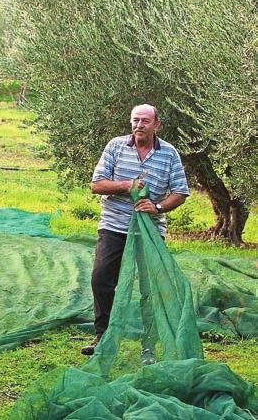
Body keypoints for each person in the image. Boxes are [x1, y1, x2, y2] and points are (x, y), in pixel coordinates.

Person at [81, 104, 189, 356]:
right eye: (135, 120)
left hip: (149, 231)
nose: (139, 125)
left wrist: (158, 206)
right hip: (114, 225)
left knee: (149, 288)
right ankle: (103, 337)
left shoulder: (169, 153)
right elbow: (96, 185)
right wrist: (126, 185)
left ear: (157, 124)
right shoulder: (116, 146)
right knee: (101, 279)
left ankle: (148, 345)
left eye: (145, 121)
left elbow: (180, 192)